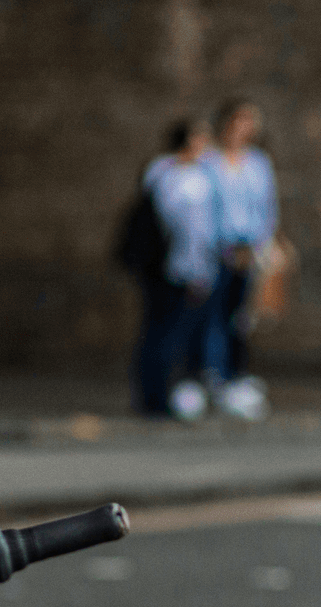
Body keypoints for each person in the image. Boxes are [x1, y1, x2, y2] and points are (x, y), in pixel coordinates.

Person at [131, 118, 222, 419]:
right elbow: (189, 230)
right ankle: (159, 396)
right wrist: (196, 270)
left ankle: (155, 394)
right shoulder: (182, 178)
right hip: (175, 267)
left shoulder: (160, 172)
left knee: (158, 330)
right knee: (168, 332)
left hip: (165, 265)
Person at [202, 98, 277, 421]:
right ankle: (213, 375)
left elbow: (266, 207)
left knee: (241, 316)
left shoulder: (257, 163)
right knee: (213, 314)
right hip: (216, 249)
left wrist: (260, 246)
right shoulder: (209, 161)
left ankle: (235, 374)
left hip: (249, 249)